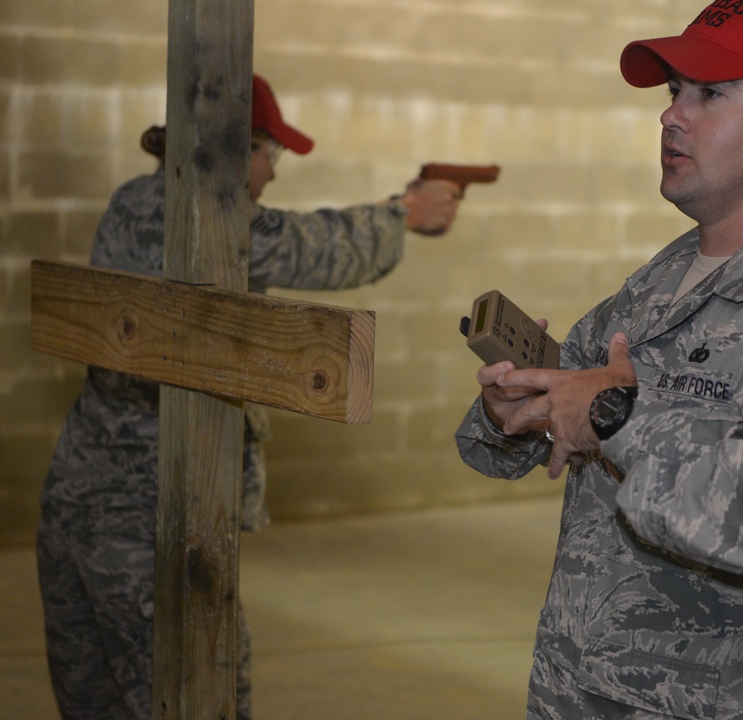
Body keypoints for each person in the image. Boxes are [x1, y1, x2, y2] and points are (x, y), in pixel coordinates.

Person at [455, 0, 743, 720]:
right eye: (675, 93)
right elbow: (518, 439)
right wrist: (511, 412)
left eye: (710, 93)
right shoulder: (656, 285)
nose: (673, 115)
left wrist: (616, 414)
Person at [37, 73, 464, 720]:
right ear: (238, 149)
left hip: (81, 492)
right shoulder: (206, 220)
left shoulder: (132, 200)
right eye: (270, 154)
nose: (272, 174)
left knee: (96, 699)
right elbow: (316, 251)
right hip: (156, 512)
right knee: (198, 696)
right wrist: (405, 212)